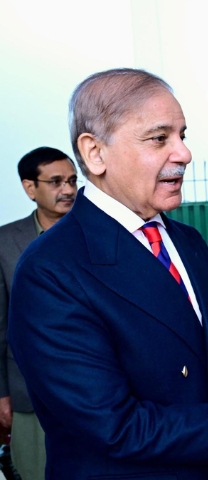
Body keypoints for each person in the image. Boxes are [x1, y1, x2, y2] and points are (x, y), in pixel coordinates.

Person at [7, 68, 208, 480]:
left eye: (182, 135)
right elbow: (116, 427)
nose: (184, 153)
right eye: (159, 138)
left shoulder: (187, 241)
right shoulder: (50, 270)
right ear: (95, 153)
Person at [0, 146, 77, 480]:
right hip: (29, 392)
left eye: (73, 181)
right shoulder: (5, 243)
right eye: (56, 181)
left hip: (98, 388)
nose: (69, 190)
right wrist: (1, 392)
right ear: (30, 187)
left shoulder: (96, 234)